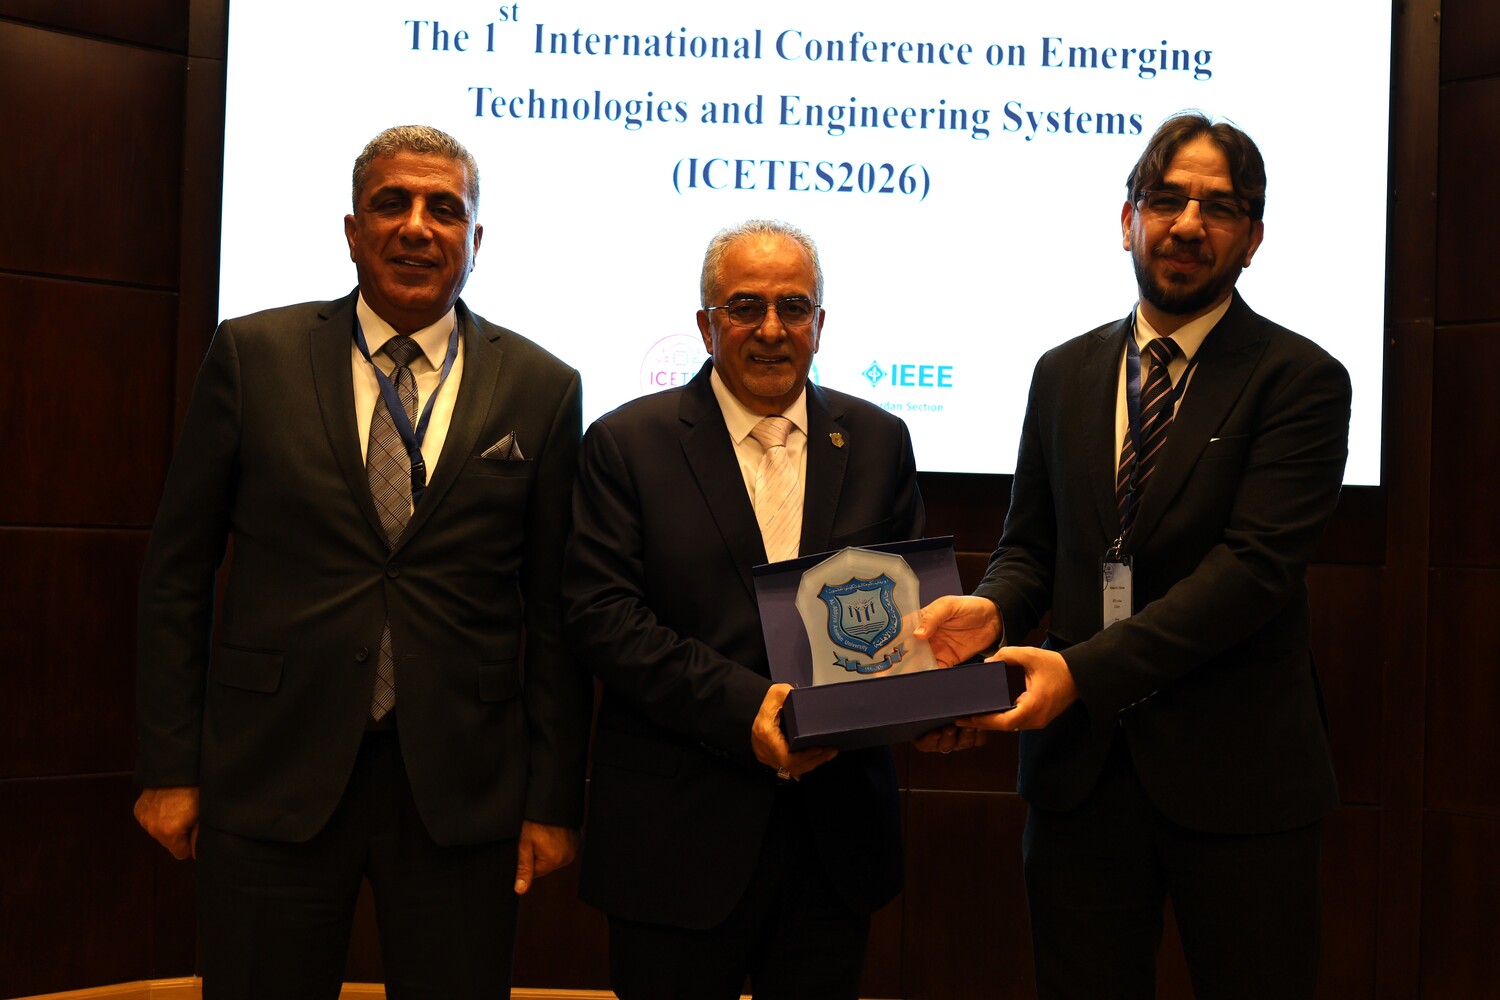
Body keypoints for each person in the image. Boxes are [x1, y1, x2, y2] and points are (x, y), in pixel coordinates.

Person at [132, 125, 591, 998]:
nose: (417, 226)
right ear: (352, 230)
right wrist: (168, 768)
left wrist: (552, 799)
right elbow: (176, 578)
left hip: (462, 789)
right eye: (391, 204)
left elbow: (557, 615)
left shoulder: (542, 385)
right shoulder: (252, 355)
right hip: (270, 773)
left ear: (476, 239)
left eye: (444, 208)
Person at [915, 112, 1351, 999]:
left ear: (1253, 239)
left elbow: (1252, 573)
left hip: (1239, 778)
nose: (1188, 223)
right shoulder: (1062, 372)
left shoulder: (1301, 380)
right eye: (1166, 199)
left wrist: (1080, 672)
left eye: (1219, 207)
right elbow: (1031, 546)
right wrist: (993, 609)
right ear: (1128, 221)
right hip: (1082, 779)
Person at [563, 219, 924, 999]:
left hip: (833, 847)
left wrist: (935, 700)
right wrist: (746, 708)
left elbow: (905, 617)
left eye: (793, 307)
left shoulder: (878, 441)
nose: (770, 329)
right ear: (705, 325)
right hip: (675, 839)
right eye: (745, 307)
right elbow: (602, 617)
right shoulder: (626, 443)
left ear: (820, 323)